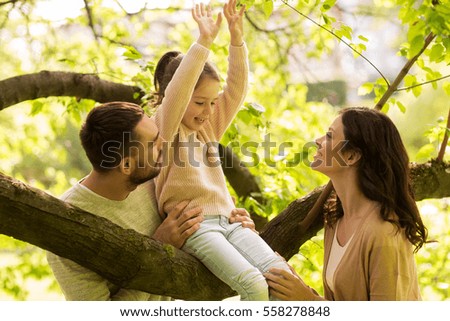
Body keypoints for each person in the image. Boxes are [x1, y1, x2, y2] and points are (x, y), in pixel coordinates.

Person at [152, 0, 290, 301]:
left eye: (212, 102)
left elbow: (237, 90)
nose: (207, 111)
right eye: (200, 102)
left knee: (282, 277)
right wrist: (204, 40)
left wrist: (237, 38)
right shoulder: (164, 129)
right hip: (198, 228)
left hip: (231, 221)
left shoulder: (207, 128)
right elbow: (178, 92)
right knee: (253, 285)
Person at [46, 102, 255, 300]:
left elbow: (203, 234)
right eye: (153, 144)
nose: (164, 144)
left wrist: (232, 225)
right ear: (126, 165)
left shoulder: (158, 178)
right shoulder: (68, 230)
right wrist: (155, 251)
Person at [265, 107, 428, 301]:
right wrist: (296, 286)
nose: (318, 141)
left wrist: (307, 301)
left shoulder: (383, 232)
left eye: (329, 136)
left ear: (351, 156)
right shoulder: (335, 219)